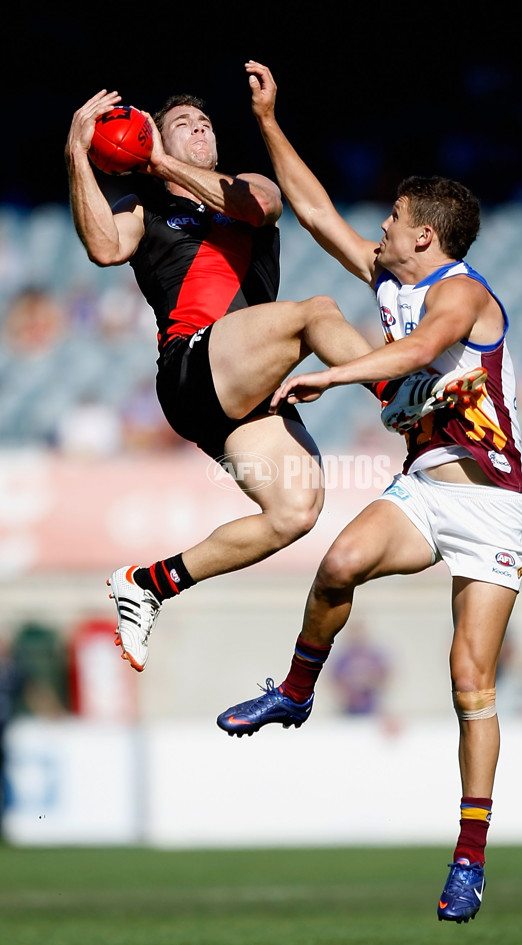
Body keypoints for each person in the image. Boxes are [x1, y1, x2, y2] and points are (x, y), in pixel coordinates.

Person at [217, 62, 522, 925]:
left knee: (471, 679)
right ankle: (295, 689)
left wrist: (335, 373)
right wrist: (271, 121)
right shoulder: (392, 281)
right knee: (339, 563)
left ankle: (469, 859)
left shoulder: (458, 292)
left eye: (394, 219)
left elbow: (415, 351)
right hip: (426, 487)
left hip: (491, 503)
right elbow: (314, 211)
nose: (381, 228)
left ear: (426, 236)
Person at [65, 77, 382, 673]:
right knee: (315, 313)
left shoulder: (247, 185)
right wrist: (77, 155)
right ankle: (400, 394)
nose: (201, 129)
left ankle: (151, 583)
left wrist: (160, 159)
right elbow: (104, 249)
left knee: (295, 512)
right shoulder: (141, 206)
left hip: (242, 389)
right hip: (192, 368)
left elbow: (262, 207)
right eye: (184, 123)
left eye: (206, 124)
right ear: (154, 135)